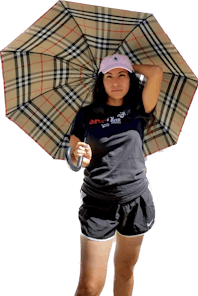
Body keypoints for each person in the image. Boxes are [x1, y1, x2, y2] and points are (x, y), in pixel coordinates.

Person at [68, 54, 163, 296]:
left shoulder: (139, 108)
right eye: (108, 76)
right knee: (89, 287)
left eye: (122, 75)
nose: (116, 81)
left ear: (131, 79)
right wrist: (79, 156)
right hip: (98, 201)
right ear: (101, 82)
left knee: (124, 271)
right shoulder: (86, 114)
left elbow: (155, 72)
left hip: (136, 198)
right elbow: (73, 157)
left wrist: (127, 64)